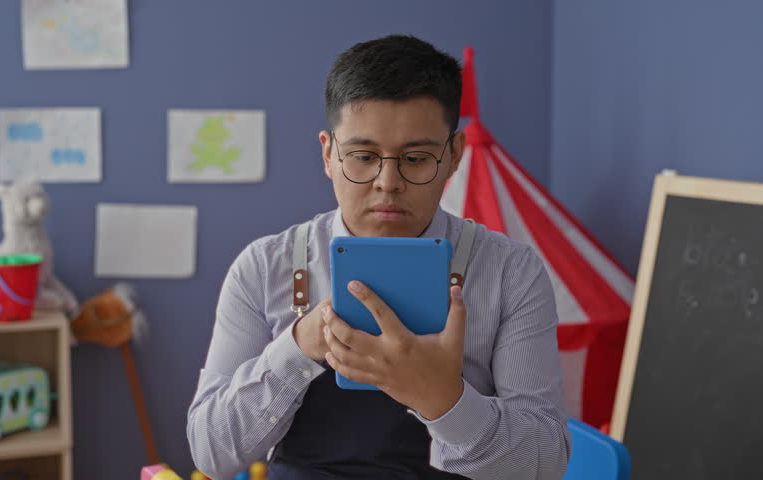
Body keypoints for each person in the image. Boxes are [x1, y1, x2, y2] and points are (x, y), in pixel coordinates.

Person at [187, 34, 570, 479]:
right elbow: (211, 455)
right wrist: (299, 346)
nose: (388, 182)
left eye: (417, 158)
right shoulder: (264, 268)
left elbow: (545, 466)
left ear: (454, 156)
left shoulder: (510, 273)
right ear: (329, 154)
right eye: (364, 156)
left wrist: (443, 400)